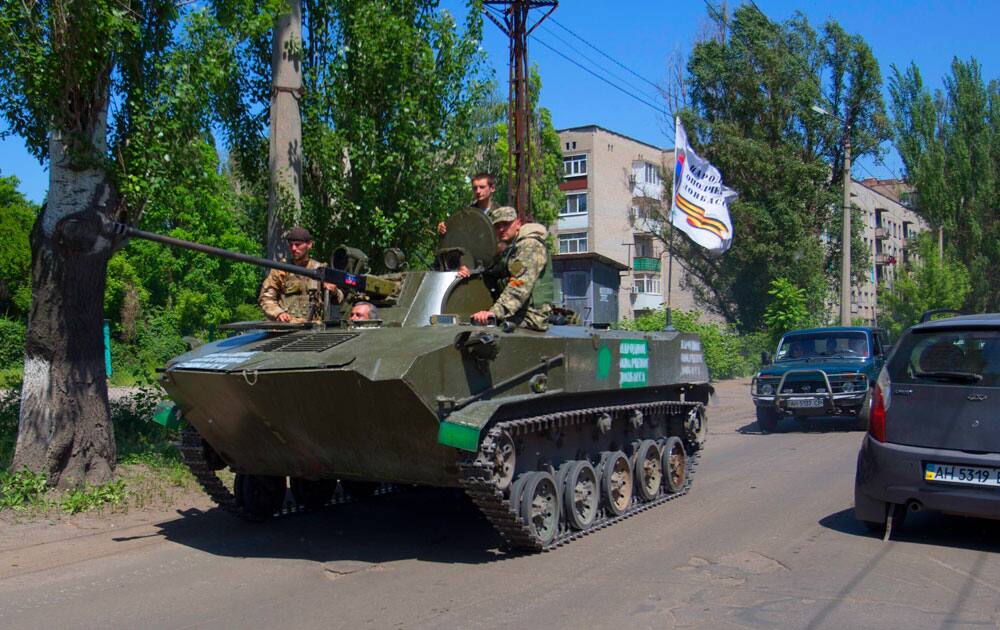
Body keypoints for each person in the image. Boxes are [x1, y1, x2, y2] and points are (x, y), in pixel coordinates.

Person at [463, 206, 550, 331]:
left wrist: (494, 313)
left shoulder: (530, 245)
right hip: (514, 314)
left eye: (506, 224)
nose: (502, 229)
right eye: (497, 226)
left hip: (531, 318)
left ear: (518, 223)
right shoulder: (510, 248)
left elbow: (520, 284)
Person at [259, 226, 344, 323]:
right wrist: (279, 313)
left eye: (297, 245)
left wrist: (334, 291)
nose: (293, 248)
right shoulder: (281, 269)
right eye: (291, 245)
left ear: (309, 244)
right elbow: (266, 298)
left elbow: (340, 299)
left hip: (314, 328)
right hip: (286, 328)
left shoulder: (321, 269)